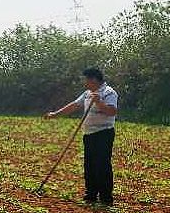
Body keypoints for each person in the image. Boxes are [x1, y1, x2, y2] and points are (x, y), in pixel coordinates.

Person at [45, 67, 118, 205]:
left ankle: (106, 198)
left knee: (102, 165)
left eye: (86, 80)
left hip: (103, 133)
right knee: (89, 164)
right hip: (88, 133)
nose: (85, 83)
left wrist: (99, 102)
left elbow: (112, 111)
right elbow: (74, 105)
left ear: (94, 79)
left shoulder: (109, 93)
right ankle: (91, 194)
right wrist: (56, 114)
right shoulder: (87, 93)